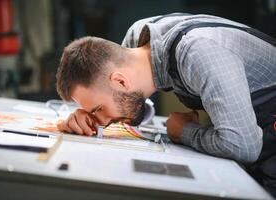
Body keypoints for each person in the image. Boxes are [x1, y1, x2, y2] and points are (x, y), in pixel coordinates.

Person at [55, 13, 276, 196]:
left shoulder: (198, 52)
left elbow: (243, 145)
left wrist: (184, 132)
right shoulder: (137, 44)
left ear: (120, 80)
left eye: (97, 110)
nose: (101, 122)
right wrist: (86, 117)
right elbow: (133, 105)